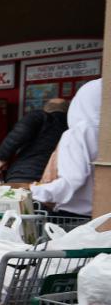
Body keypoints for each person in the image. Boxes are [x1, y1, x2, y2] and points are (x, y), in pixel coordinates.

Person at [32, 79, 102, 217]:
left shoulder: (78, 133)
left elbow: (73, 180)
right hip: (102, 211)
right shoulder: (103, 133)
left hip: (73, 214)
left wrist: (33, 191)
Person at [0, 98, 69, 183]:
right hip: (55, 180)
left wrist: (1, 158)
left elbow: (18, 134)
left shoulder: (40, 116)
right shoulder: (72, 126)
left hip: (25, 175)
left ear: (46, 108)